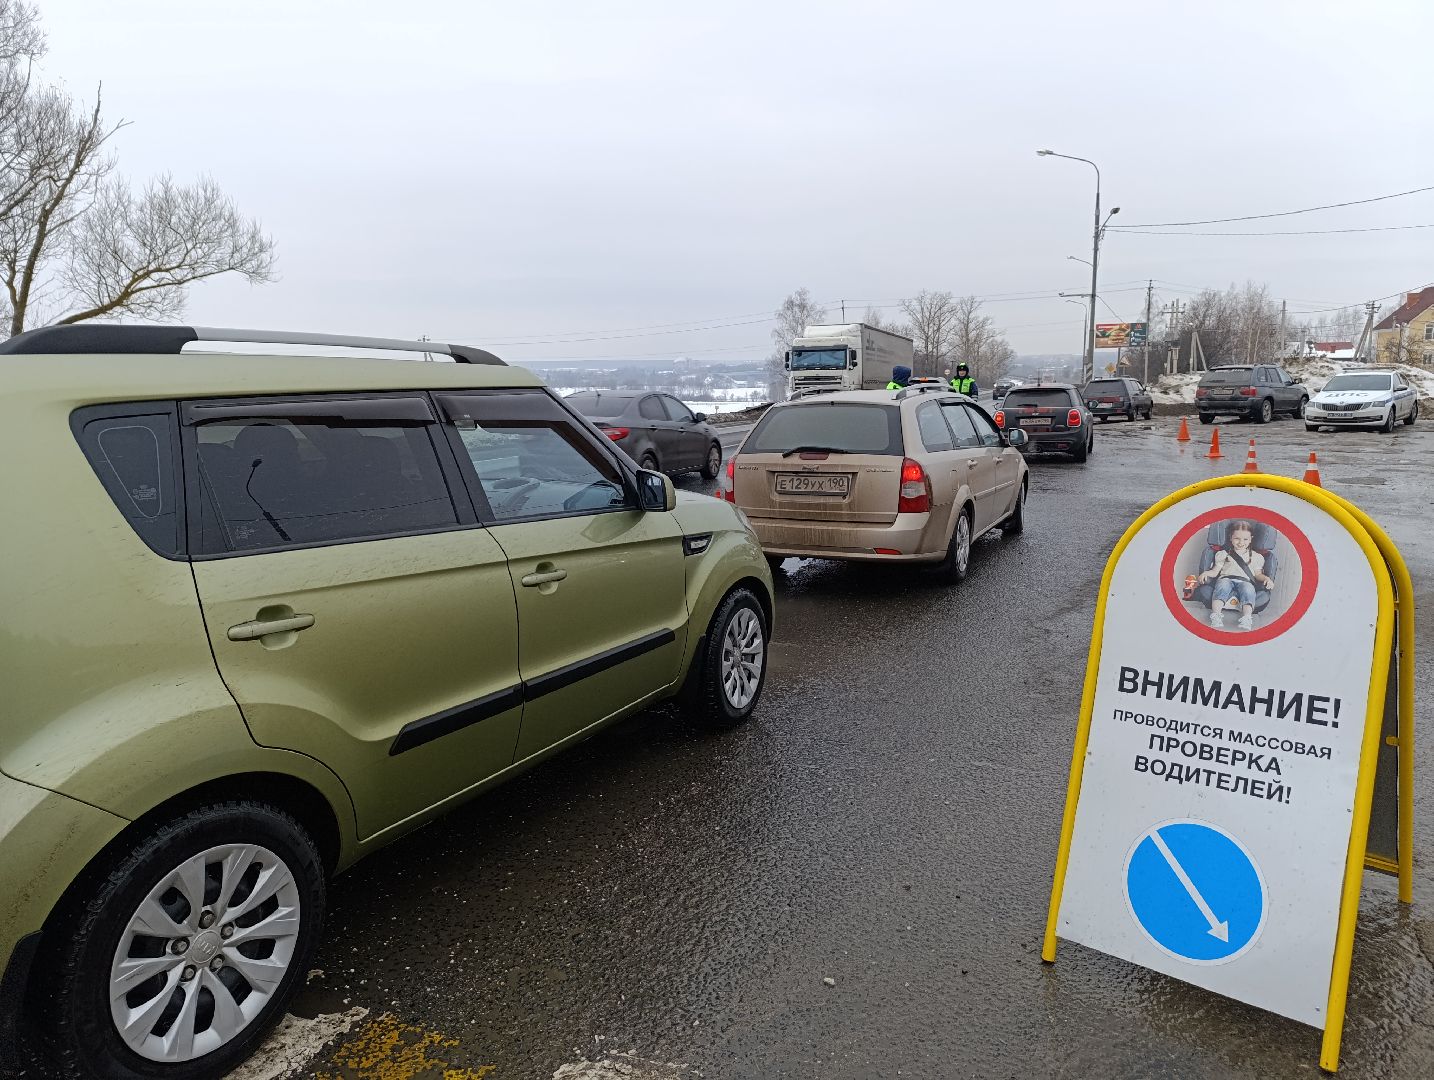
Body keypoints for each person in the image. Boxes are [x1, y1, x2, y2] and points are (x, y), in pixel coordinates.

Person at [1197, 520, 1274, 631]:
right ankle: (1216, 615)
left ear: (1251, 539)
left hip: (1245, 581)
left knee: (1248, 589)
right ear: (1230, 538)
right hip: (1226, 578)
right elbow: (1215, 571)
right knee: (1222, 585)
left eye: (1245, 539)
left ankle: (1247, 617)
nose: (1241, 542)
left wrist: (1266, 578)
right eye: (1237, 538)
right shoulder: (1223, 554)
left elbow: (1258, 575)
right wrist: (1206, 573)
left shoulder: (1257, 557)